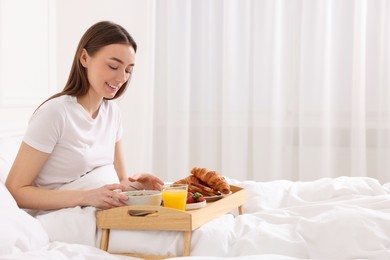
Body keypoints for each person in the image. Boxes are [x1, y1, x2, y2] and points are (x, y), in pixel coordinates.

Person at [5, 21, 164, 211]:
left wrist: (138, 185)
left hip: (101, 211)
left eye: (128, 70)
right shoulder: (55, 113)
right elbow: (16, 191)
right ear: (84, 58)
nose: (122, 78)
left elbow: (120, 181)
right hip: (60, 216)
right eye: (114, 66)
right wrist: (87, 196)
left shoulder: (112, 113)